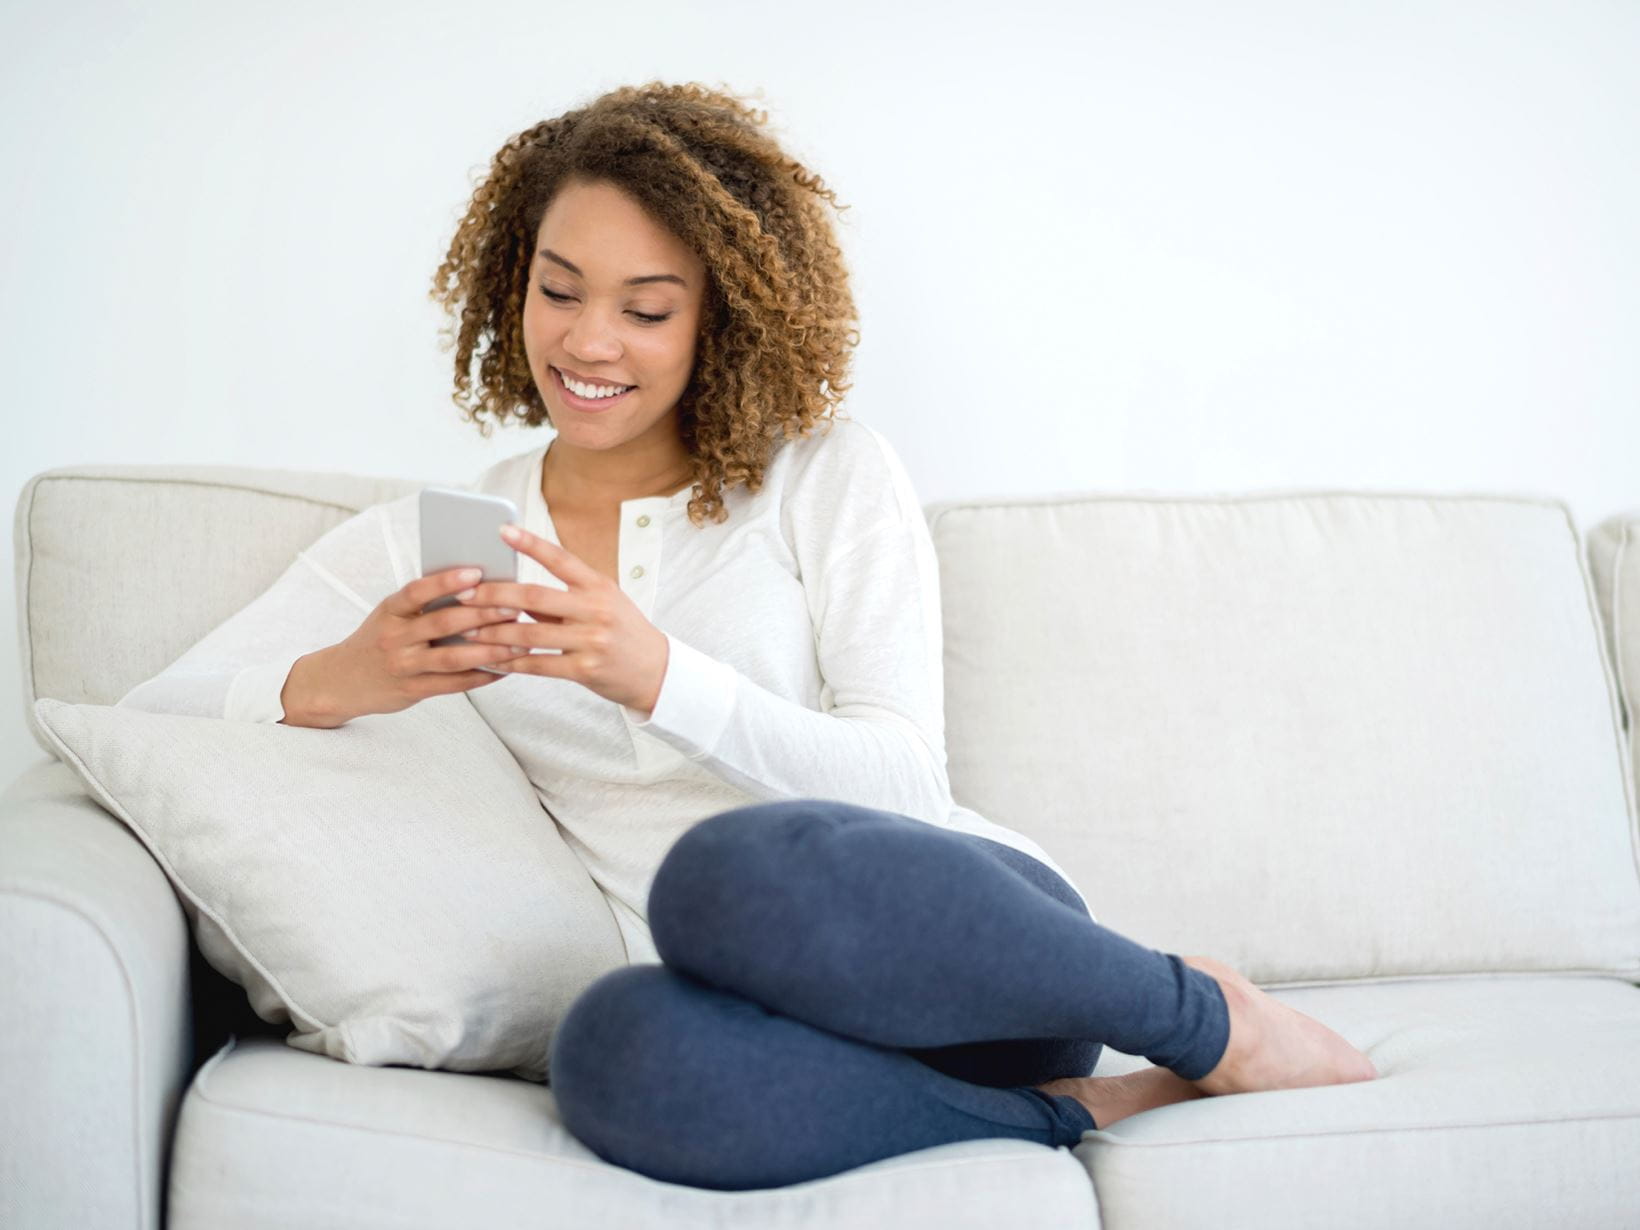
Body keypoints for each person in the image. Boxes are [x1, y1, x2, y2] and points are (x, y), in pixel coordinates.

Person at [118, 81, 1377, 1193]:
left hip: (964, 957)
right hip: (755, 1027)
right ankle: (1065, 1113)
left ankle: (1196, 1016)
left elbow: (902, 781)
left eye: (646, 309)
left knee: (732, 875)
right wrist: (350, 677)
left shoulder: (819, 478)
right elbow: (140, 717)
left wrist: (655, 673)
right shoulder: (446, 533)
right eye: (557, 291)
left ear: (724, 318)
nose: (586, 342)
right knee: (608, 1048)